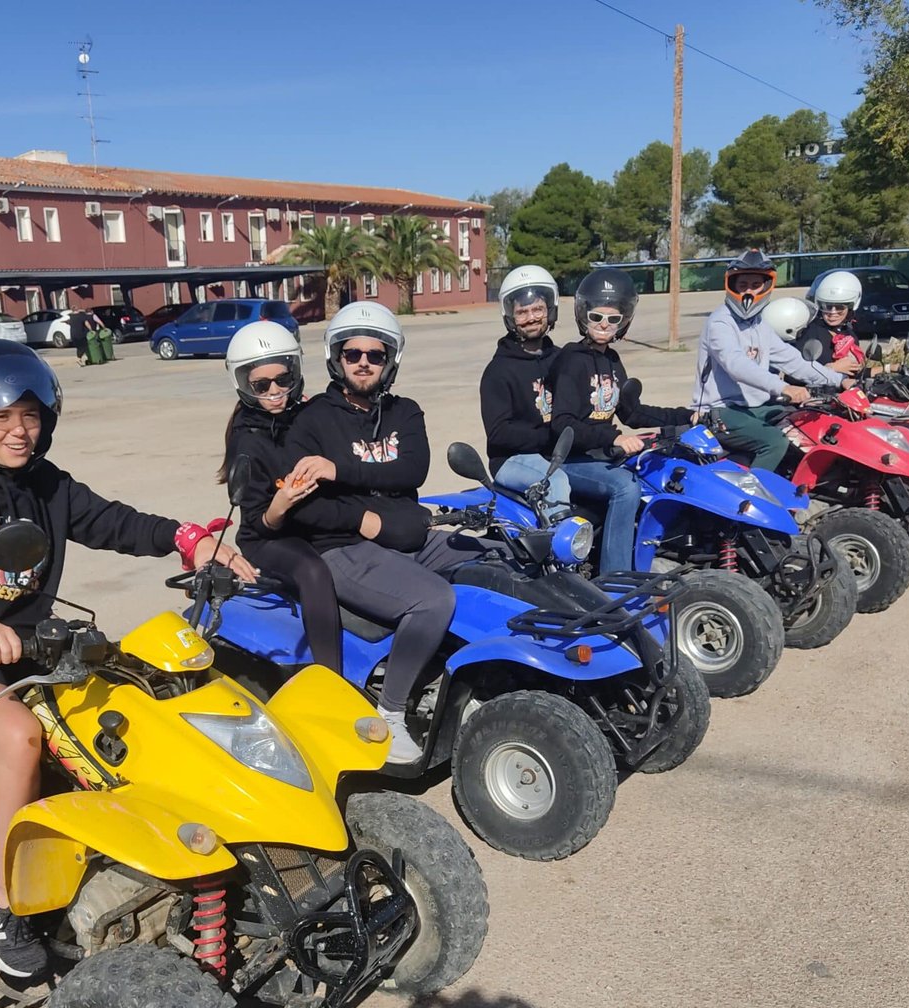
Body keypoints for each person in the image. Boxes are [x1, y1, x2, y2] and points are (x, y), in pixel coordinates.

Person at [0, 340, 254, 975]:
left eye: (29, 416)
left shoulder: (44, 483)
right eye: (0, 418)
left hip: (26, 649)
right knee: (20, 736)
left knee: (136, 706)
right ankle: (3, 897)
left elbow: (111, 520)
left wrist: (187, 540)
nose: (19, 431)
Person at [280, 302, 480, 765]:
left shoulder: (405, 413)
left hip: (405, 533)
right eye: (353, 354)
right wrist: (365, 513)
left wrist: (339, 469)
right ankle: (389, 713)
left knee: (489, 556)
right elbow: (309, 505)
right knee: (433, 600)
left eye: (376, 353)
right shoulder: (310, 422)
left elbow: (413, 468)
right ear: (336, 358)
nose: (364, 362)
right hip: (341, 547)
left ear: (391, 360)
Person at [549, 268, 698, 575]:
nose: (604, 324)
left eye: (613, 319)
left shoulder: (612, 361)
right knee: (626, 488)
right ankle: (616, 579)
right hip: (570, 459)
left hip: (602, 455)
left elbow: (632, 413)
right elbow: (562, 423)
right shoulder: (569, 360)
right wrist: (613, 438)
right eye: (596, 316)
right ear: (582, 314)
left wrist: (687, 416)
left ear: (624, 321)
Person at [217, 321, 344, 675]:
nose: (275, 391)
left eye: (283, 380)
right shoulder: (247, 440)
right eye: (261, 384)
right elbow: (259, 520)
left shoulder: (304, 415)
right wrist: (281, 503)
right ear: (243, 384)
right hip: (269, 537)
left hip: (312, 521)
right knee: (314, 571)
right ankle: (331, 678)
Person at [692, 249, 845, 471]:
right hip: (720, 411)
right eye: (743, 285)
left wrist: (839, 380)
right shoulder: (720, 322)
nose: (749, 291)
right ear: (732, 286)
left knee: (807, 419)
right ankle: (753, 500)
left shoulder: (758, 324)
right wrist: (783, 387)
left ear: (766, 286)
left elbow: (792, 360)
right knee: (775, 442)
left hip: (753, 408)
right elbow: (736, 364)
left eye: (755, 285)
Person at [480, 264, 571, 507]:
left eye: (538, 309)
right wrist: (550, 437)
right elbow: (499, 433)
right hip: (511, 459)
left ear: (550, 310)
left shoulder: (564, 359)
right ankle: (561, 545)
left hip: (557, 452)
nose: (531, 318)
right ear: (510, 316)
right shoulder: (498, 371)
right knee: (556, 482)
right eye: (522, 312)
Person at [794, 270, 865, 373]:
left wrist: (890, 367)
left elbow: (856, 374)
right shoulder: (809, 333)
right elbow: (793, 374)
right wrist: (830, 369)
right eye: (827, 306)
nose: (833, 312)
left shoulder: (849, 335)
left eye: (840, 307)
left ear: (850, 308)